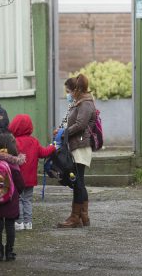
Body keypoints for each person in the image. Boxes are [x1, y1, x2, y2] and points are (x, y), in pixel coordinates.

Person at [56, 74, 95, 228]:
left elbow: (80, 125)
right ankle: (81, 217)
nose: (68, 94)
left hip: (81, 146)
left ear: (76, 89)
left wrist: (64, 133)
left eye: (69, 91)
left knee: (78, 182)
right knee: (78, 182)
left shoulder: (85, 104)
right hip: (78, 146)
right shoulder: (79, 103)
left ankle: (76, 217)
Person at [9, 114, 55, 230]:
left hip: (17, 178)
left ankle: (19, 222)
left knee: (18, 199)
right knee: (27, 200)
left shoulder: (13, 142)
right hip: (30, 178)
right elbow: (44, 153)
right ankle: (28, 223)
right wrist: (53, 147)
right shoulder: (34, 141)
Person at [0, 133, 25, 261]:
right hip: (10, 200)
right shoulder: (13, 164)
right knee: (10, 225)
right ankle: (9, 251)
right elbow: (20, 184)